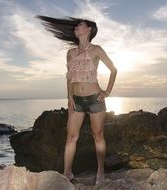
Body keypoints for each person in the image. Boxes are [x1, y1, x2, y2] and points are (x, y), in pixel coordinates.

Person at [36, 15, 117, 185]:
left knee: (98, 136)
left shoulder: (96, 50)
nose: (76, 27)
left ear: (89, 30)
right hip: (77, 101)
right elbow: (69, 78)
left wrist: (107, 92)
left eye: (80, 25)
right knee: (71, 137)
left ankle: (100, 171)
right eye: (76, 26)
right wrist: (69, 97)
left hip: (95, 99)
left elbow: (113, 70)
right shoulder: (70, 53)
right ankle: (67, 173)